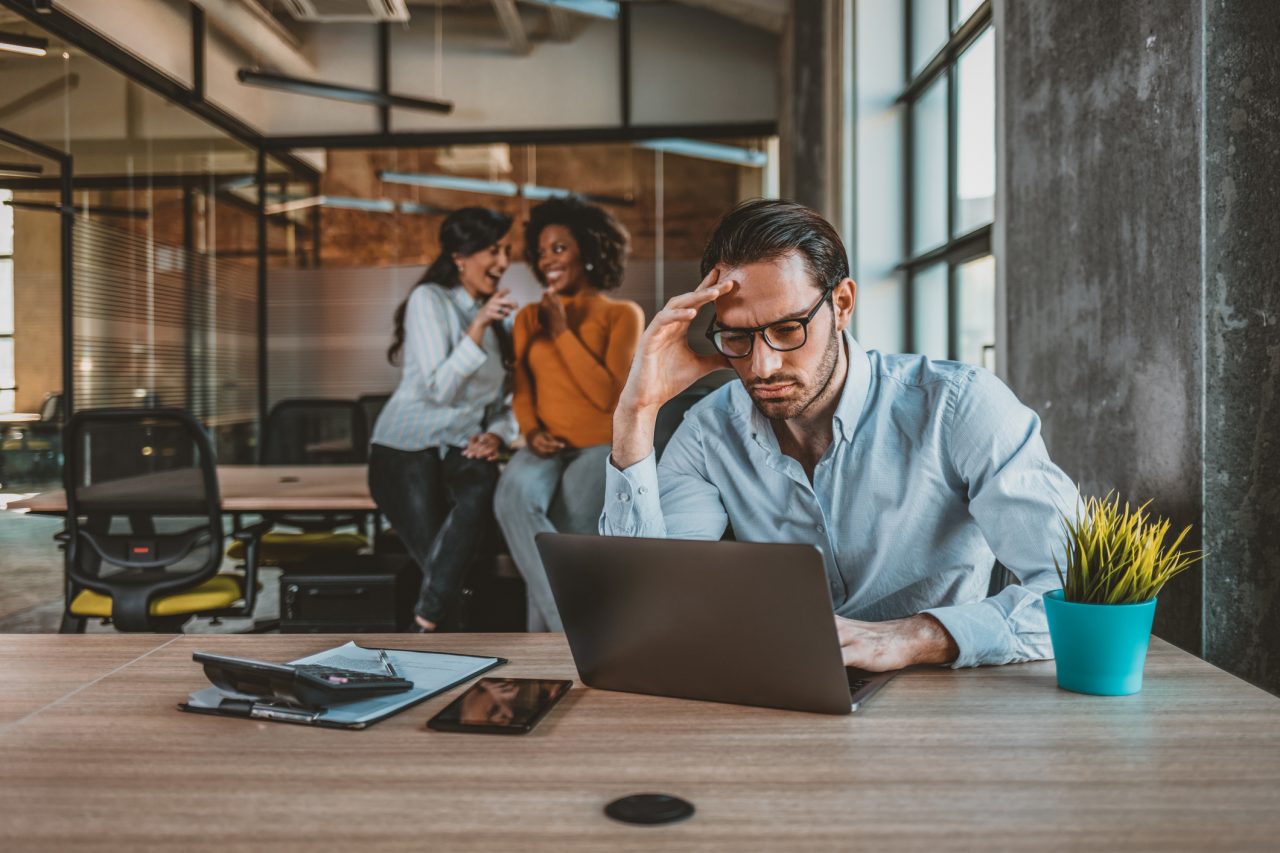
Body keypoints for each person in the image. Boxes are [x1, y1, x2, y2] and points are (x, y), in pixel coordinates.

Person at [601, 198, 1078, 671]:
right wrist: (636, 411)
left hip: (937, 698)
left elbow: (1079, 593)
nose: (761, 367)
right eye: (737, 337)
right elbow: (651, 611)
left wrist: (914, 637)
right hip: (782, 694)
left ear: (842, 303)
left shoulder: (959, 406)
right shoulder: (708, 433)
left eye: (788, 329)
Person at [494, 196, 644, 631]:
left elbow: (608, 396)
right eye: (541, 251)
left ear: (590, 251)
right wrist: (531, 429)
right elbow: (522, 386)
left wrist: (561, 333)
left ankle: (545, 658)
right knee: (512, 498)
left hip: (598, 445)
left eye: (559, 248)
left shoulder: (622, 316)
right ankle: (571, 632)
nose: (547, 260)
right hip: (543, 444)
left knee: (561, 530)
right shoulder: (527, 319)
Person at [369, 207, 519, 632]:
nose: (503, 262)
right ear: (460, 256)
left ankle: (426, 621)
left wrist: (496, 433)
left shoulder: (493, 318)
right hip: (404, 449)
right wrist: (477, 327)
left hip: (460, 445)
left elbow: (506, 400)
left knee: (481, 488)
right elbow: (440, 389)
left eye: (506, 251)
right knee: (444, 564)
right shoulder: (429, 299)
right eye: (493, 250)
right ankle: (442, 635)